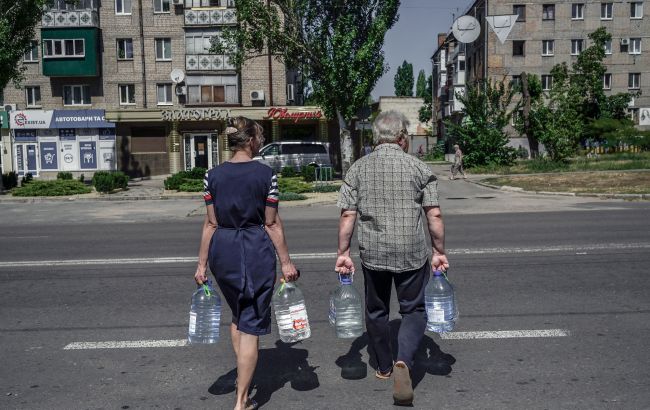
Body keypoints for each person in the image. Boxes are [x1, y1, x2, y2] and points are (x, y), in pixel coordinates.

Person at [335, 110, 450, 406]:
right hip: (411, 252)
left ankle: (384, 366)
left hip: (373, 253)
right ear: (402, 139)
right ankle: (403, 361)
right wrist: (439, 251)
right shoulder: (419, 169)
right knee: (413, 310)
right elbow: (433, 214)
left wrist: (343, 253)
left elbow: (348, 214)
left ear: (376, 138)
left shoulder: (358, 169)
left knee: (376, 310)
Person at [194, 116, 299, 410]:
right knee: (251, 322)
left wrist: (201, 266)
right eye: (261, 136)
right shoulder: (266, 176)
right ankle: (242, 401)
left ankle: (244, 379)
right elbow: (272, 223)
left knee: (239, 316)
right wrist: (287, 262)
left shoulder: (212, 175)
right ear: (251, 140)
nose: (262, 141)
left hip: (221, 252)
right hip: (252, 250)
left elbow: (210, 224)